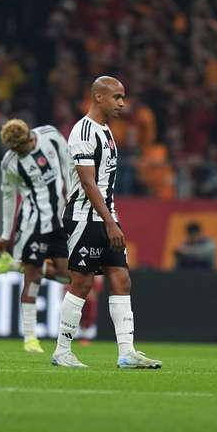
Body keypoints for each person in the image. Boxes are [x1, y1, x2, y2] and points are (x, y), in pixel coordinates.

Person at [51, 76, 161, 369]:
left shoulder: (108, 132)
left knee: (121, 279)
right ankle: (62, 350)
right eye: (117, 97)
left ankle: (127, 352)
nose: (122, 104)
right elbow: (88, 183)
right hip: (85, 218)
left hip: (107, 217)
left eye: (123, 97)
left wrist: (112, 219)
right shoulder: (83, 131)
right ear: (99, 97)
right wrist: (110, 222)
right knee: (82, 281)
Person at [0, 118, 72, 353]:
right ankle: (30, 339)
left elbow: (68, 164)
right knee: (33, 279)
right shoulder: (9, 163)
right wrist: (5, 233)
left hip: (60, 220)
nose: (18, 152)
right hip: (32, 224)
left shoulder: (51, 134)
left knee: (68, 276)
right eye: (14, 150)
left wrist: (75, 200)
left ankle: (12, 265)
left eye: (21, 147)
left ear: (28, 138)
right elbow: (8, 197)